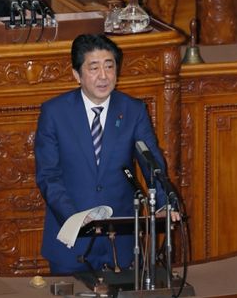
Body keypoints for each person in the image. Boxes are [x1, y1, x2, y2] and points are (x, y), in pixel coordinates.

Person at [35, 33, 180, 275]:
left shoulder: (132, 110)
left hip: (122, 242)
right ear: (76, 75)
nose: (103, 76)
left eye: (109, 66)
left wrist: (163, 204)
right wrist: (74, 219)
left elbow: (151, 163)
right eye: (94, 68)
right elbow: (48, 176)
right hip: (72, 241)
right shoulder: (54, 113)